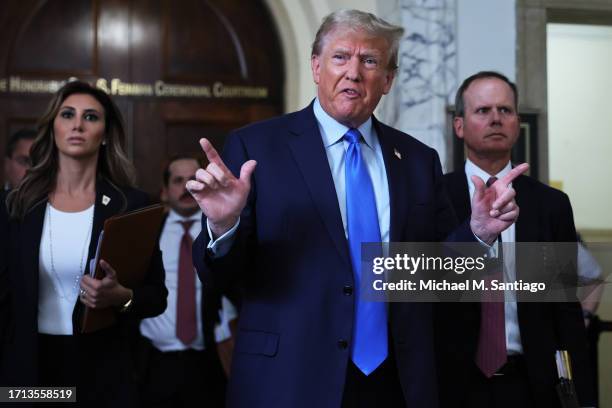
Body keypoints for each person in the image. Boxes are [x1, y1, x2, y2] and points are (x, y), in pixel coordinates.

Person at [188, 10, 527, 408]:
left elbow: (437, 278)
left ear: (388, 79)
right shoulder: (257, 148)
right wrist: (224, 224)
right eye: (340, 57)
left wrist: (479, 232)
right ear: (316, 66)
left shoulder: (418, 160)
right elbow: (221, 278)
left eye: (369, 61)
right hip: (290, 378)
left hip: (396, 382)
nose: (353, 72)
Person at [0, 80, 167, 407]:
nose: (77, 124)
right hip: (29, 369)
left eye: (90, 117)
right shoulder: (16, 206)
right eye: (67, 115)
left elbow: (156, 298)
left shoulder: (129, 204)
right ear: (53, 128)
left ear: (105, 133)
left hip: (103, 371)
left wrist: (121, 297)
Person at [437, 71, 595, 408]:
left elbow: (565, 308)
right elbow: (422, 287)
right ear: (459, 125)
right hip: (453, 383)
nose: (496, 118)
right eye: (483, 111)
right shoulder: (433, 196)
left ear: (517, 123)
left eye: (505, 110)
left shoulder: (550, 205)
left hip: (530, 384)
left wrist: (584, 395)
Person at [138, 155, 232, 407]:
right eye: (178, 181)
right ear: (165, 192)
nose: (186, 187)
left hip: (209, 360)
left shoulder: (221, 229)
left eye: (193, 179)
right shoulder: (146, 232)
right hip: (151, 362)